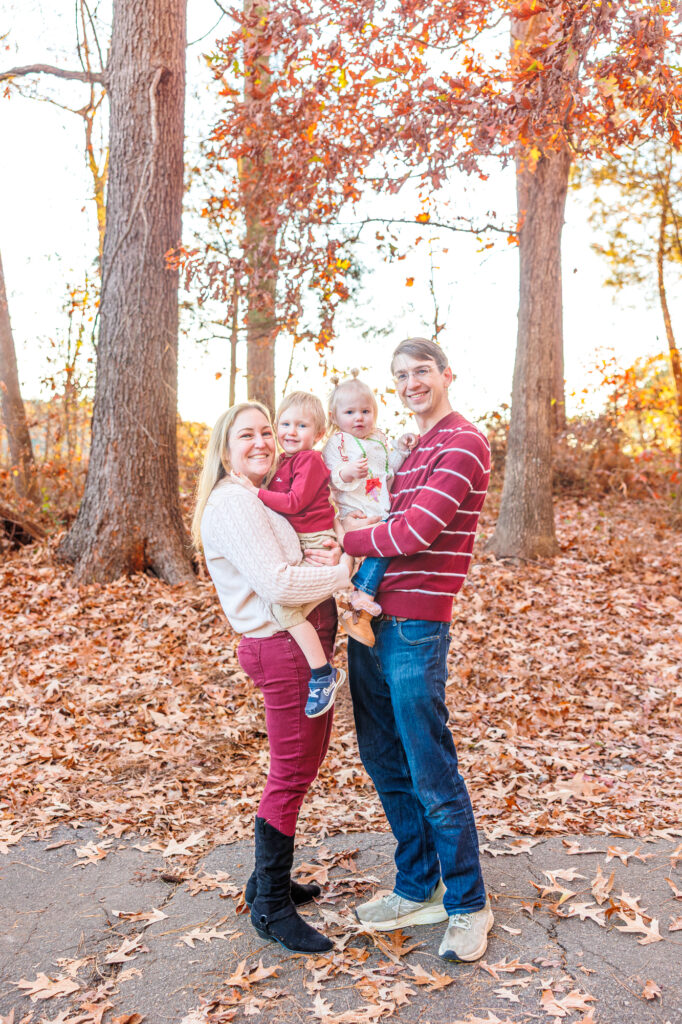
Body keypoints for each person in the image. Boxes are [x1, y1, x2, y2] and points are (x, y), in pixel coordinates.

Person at [341, 338, 494, 963]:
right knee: (384, 760)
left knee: (430, 768)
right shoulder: (408, 447)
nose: (410, 383)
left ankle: (467, 905)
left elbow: (413, 531)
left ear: (447, 374)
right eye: (400, 375)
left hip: (415, 627)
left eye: (421, 371)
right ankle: (417, 885)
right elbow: (377, 503)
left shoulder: (463, 442)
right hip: (368, 620)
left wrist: (336, 538)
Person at [191, 401, 352, 955]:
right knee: (289, 775)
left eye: (267, 431)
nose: (262, 441)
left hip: (297, 646)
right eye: (247, 435)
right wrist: (343, 570)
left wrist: (326, 552)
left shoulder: (258, 496)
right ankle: (270, 908)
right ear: (224, 446)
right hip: (284, 652)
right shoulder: (234, 504)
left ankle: (268, 881)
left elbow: (291, 560)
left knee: (300, 769)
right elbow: (280, 585)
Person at [230, 391, 345, 718]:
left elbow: (294, 503)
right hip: (302, 541)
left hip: (315, 541)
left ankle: (323, 673)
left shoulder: (309, 461)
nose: (291, 431)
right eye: (285, 423)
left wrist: (256, 492)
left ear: (319, 435)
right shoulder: (284, 461)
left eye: (302, 425)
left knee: (284, 607)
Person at [322, 370, 415, 646]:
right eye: (350, 412)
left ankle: (359, 597)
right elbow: (329, 475)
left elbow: (389, 470)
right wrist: (346, 472)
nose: (359, 417)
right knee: (383, 545)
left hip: (378, 505)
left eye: (365, 411)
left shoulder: (378, 440)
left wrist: (400, 448)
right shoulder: (337, 443)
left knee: (387, 545)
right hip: (354, 509)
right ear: (335, 417)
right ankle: (361, 597)